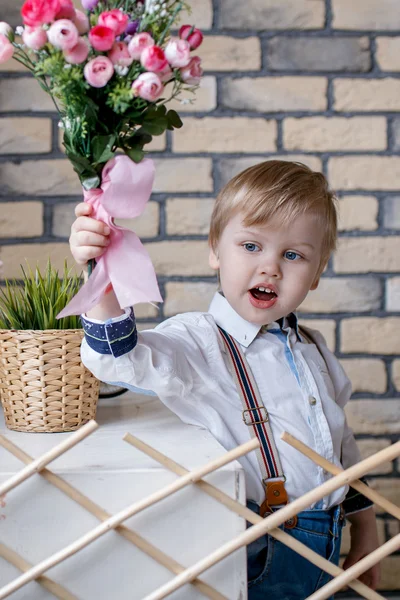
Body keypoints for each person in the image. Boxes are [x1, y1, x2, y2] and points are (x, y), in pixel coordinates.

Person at [69, 160, 380, 599]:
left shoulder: (315, 350)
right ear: (215, 249)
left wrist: (365, 532)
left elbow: (339, 445)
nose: (271, 267)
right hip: (257, 554)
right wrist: (102, 280)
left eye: (293, 255)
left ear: (317, 273)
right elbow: (119, 359)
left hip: (327, 555)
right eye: (251, 246)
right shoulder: (197, 343)